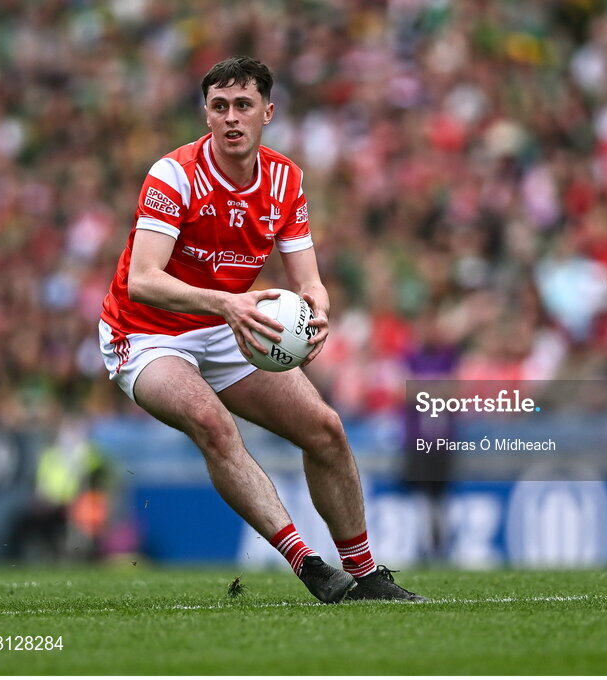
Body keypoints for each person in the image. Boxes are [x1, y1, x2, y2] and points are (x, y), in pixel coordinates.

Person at [98, 56, 424, 603]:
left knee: (325, 428)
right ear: (205, 115)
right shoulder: (173, 175)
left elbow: (310, 281)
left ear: (267, 113)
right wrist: (227, 304)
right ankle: (310, 566)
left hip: (229, 321)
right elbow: (143, 281)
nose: (231, 118)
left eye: (243, 106)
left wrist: (317, 312)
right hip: (145, 333)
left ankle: (365, 576)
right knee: (213, 424)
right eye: (219, 106)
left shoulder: (285, 179)